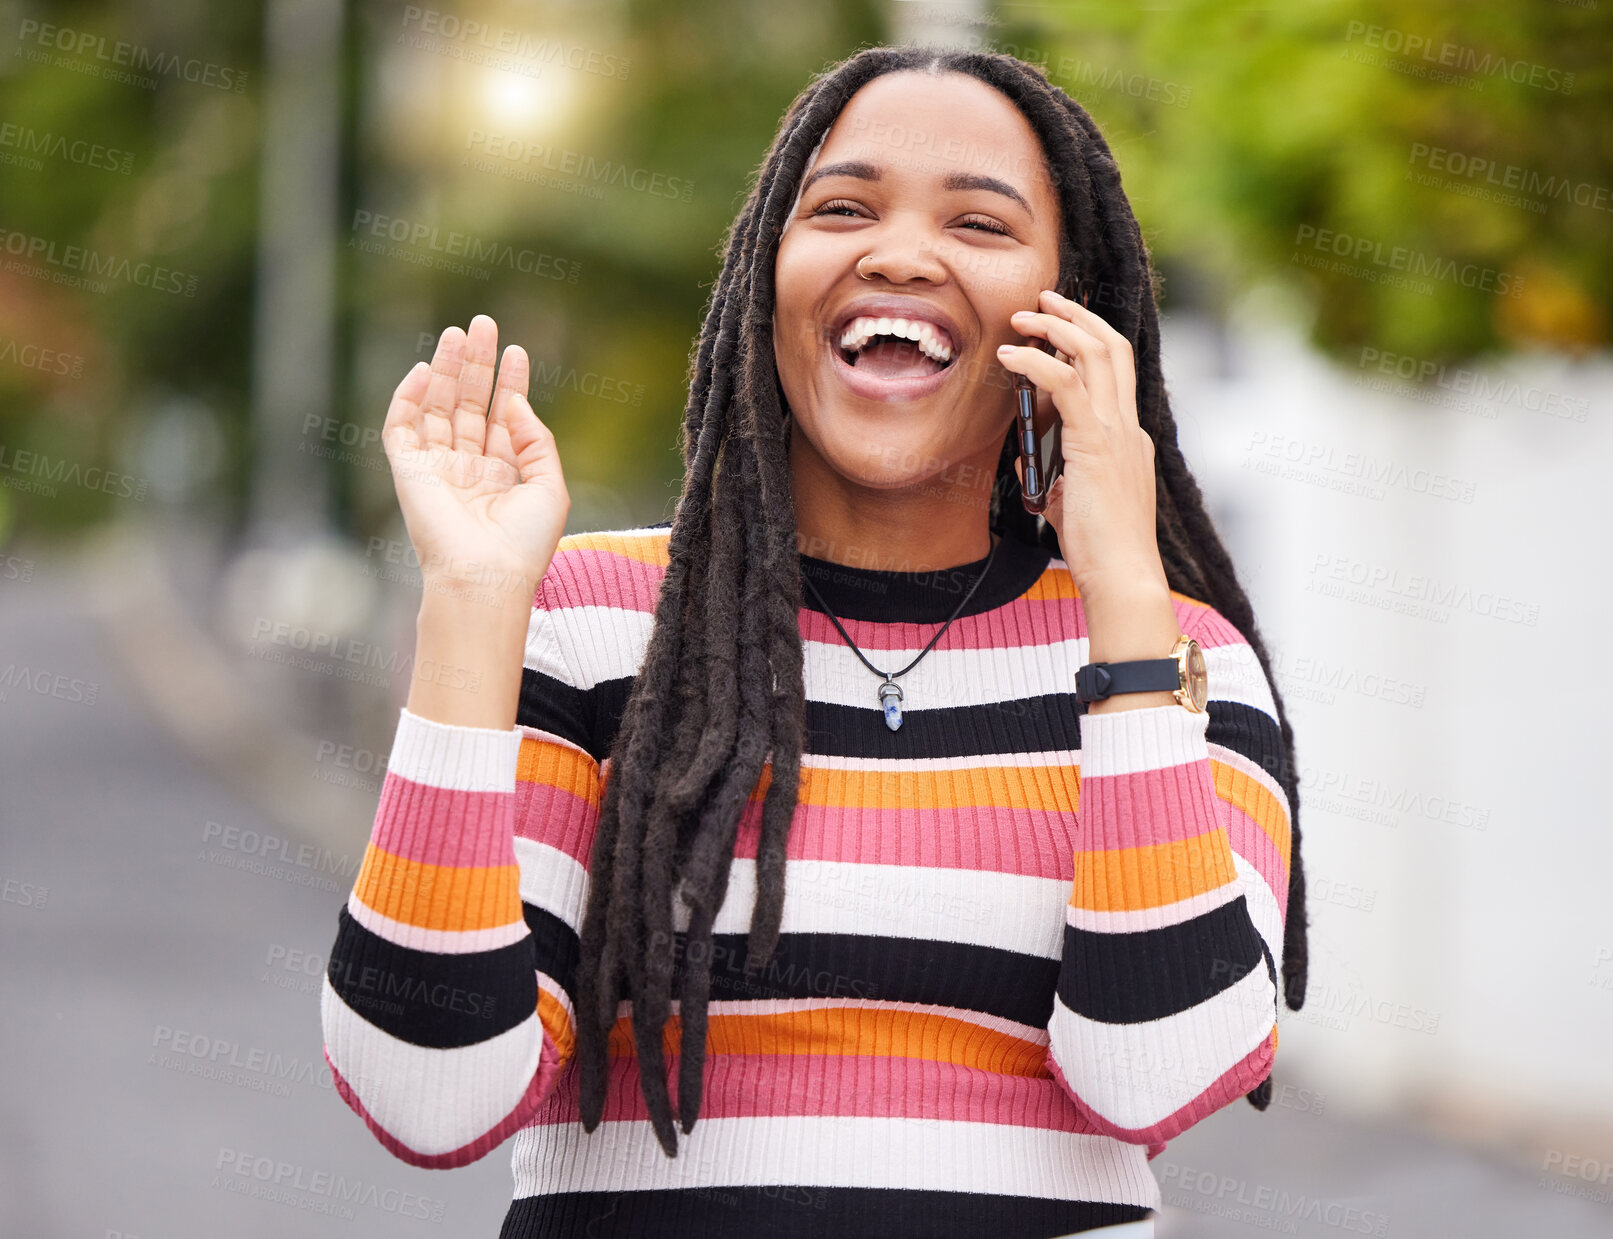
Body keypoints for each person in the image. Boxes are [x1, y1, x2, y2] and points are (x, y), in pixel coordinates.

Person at [319, 44, 1308, 1239]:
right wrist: (473, 603)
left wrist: (1125, 607)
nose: (896, 252)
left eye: (980, 225)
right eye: (841, 208)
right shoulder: (575, 621)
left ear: (1069, 318)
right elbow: (426, 1097)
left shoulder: (1174, 658)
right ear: (765, 277)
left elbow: (1157, 1074)